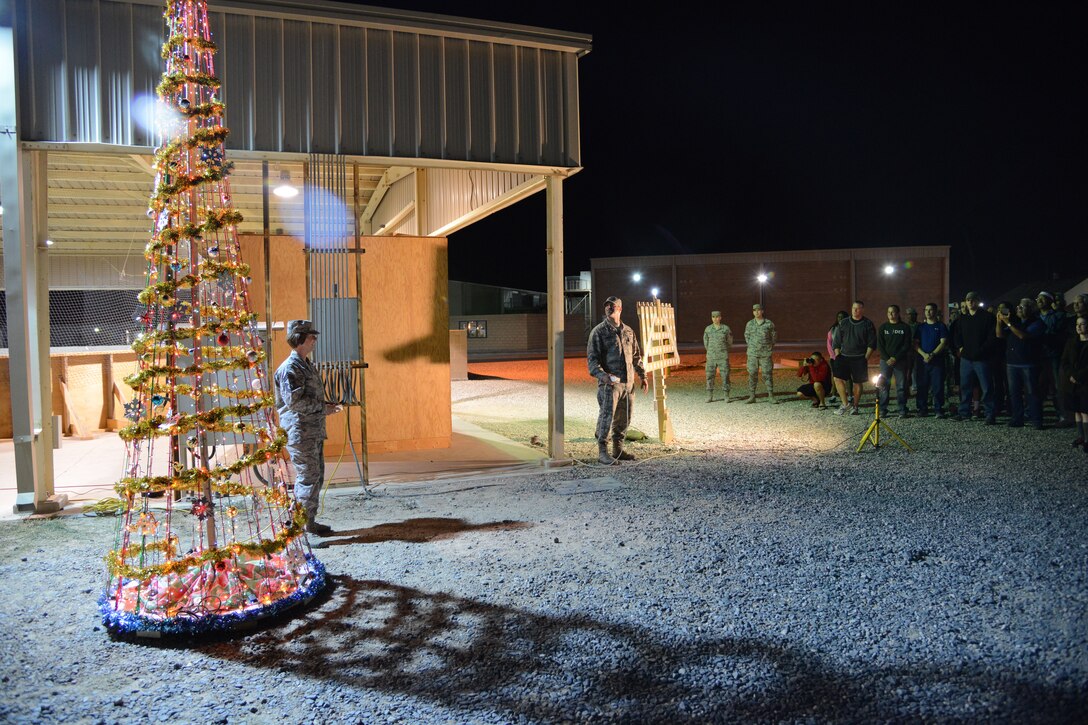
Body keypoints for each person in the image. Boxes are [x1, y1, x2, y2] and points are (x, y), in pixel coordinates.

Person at [274, 319, 343, 536]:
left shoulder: (305, 365)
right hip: (300, 432)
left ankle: (307, 522)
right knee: (308, 478)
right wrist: (323, 408)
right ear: (300, 339)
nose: (315, 340)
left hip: (311, 431)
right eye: (311, 336)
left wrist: (325, 406)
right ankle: (302, 527)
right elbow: (295, 402)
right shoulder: (291, 368)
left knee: (315, 476)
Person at [587, 296, 648, 465]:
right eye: (606, 306)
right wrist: (603, 376)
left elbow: (636, 356)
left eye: (612, 306)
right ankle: (603, 452)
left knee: (624, 418)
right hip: (610, 385)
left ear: (619, 309)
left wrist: (643, 376)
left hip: (628, 384)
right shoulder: (599, 332)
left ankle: (618, 450)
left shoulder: (628, 331)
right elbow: (592, 361)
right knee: (606, 418)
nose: (608, 308)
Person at [997, 298, 1045, 430]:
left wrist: (1008, 323)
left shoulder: (1037, 323)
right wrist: (999, 321)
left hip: (1029, 363)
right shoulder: (1016, 322)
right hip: (1012, 362)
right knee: (1014, 393)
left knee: (1032, 393)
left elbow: (1023, 336)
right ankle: (1017, 418)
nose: (1018, 308)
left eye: (1022, 307)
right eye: (1018, 306)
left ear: (1031, 309)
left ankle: (1036, 420)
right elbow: (999, 335)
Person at [952, 291, 997, 424]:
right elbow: (957, 335)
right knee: (965, 387)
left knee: (986, 387)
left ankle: (990, 414)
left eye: (972, 299)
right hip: (966, 359)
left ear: (977, 301)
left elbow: (992, 337)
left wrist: (981, 351)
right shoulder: (963, 318)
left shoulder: (988, 317)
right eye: (968, 300)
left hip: (982, 359)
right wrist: (960, 347)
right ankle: (964, 412)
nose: (970, 302)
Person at [831, 300, 876, 415]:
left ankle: (855, 407)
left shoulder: (867, 324)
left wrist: (865, 357)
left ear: (862, 310)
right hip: (844, 356)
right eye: (853, 308)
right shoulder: (844, 322)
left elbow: (872, 343)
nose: (855, 310)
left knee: (857, 382)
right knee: (837, 379)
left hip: (859, 358)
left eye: (858, 308)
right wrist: (837, 355)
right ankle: (845, 404)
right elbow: (836, 341)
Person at [1038, 291, 1071, 427]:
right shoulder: (1036, 316)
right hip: (1039, 355)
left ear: (1049, 301)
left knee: (1058, 386)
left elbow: (1055, 332)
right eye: (1038, 299)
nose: (1039, 301)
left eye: (1042, 299)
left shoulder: (1058, 315)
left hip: (1054, 355)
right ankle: (1036, 414)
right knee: (1039, 386)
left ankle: (1063, 415)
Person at [913, 302, 949, 418]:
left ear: (935, 311)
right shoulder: (920, 327)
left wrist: (932, 354)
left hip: (937, 362)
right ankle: (922, 409)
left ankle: (938, 409)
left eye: (930, 310)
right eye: (926, 310)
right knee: (922, 386)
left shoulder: (941, 326)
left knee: (938, 386)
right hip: (923, 362)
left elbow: (943, 342)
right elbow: (915, 344)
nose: (928, 312)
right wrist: (924, 355)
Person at [877, 304, 913, 418]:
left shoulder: (905, 327)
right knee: (884, 385)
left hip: (900, 361)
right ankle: (883, 409)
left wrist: (895, 358)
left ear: (898, 313)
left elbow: (906, 345)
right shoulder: (883, 327)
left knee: (901, 386)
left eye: (893, 312)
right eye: (889, 312)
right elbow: (880, 345)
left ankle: (902, 409)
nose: (890, 314)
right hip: (885, 361)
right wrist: (887, 358)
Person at [1060, 316, 1088, 451]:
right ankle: (1081, 436)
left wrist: (1078, 376)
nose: (1079, 327)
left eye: (1082, 324)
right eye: (1077, 324)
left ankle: (1087, 439)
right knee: (1077, 409)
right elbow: (1064, 361)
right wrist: (1070, 374)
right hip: (1072, 382)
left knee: (1085, 410)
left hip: (1085, 382)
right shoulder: (1071, 342)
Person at [744, 303, 777, 403]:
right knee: (752, 374)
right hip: (752, 354)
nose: (757, 312)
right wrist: (752, 346)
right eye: (754, 310)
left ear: (762, 311)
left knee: (767, 374)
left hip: (765, 354)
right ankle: (752, 396)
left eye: (758, 310)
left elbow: (774, 337)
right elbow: (747, 336)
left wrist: (768, 347)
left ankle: (771, 396)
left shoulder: (769, 323)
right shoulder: (749, 324)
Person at [703, 310, 733, 402]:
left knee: (725, 376)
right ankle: (709, 395)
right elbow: (706, 342)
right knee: (709, 376)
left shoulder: (725, 329)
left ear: (720, 317)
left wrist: (723, 350)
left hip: (722, 356)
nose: (715, 319)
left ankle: (726, 395)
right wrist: (711, 351)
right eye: (713, 317)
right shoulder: (708, 329)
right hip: (711, 357)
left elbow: (729, 342)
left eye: (717, 317)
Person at [825, 311, 848, 406]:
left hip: (846, 356)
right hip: (835, 357)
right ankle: (834, 394)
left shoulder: (849, 328)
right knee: (835, 376)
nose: (840, 319)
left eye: (843, 317)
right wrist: (834, 355)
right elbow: (829, 344)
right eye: (839, 317)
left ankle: (850, 395)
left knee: (848, 377)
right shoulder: (833, 329)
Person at [904, 306, 919, 396]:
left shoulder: (919, 326)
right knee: (907, 371)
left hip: (918, 351)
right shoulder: (905, 326)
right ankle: (907, 389)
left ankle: (916, 387)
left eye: (911, 314)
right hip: (908, 352)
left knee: (916, 370)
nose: (909, 316)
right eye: (908, 314)